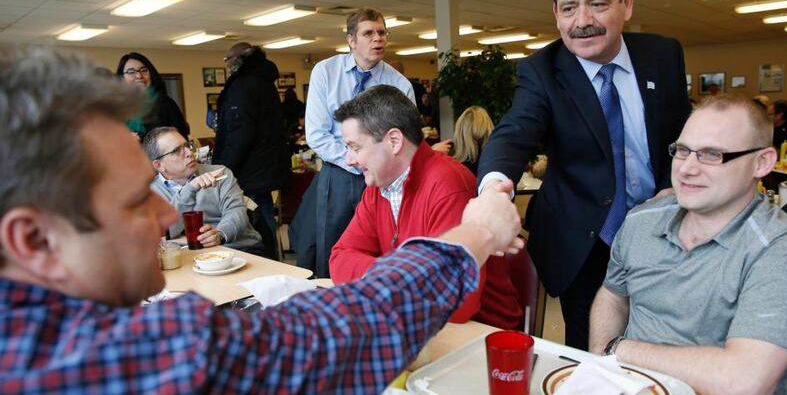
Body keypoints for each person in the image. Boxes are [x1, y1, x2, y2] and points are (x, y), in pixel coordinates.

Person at [0, 46, 525, 393]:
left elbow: (350, 271)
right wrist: (478, 231)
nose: (164, 211)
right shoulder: (120, 353)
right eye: (135, 199)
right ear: (33, 239)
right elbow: (347, 325)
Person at [476, 0, 691, 350]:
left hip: (662, 227)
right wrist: (491, 190)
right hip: (584, 241)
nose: (583, 22)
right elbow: (514, 132)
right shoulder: (542, 71)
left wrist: (671, 185)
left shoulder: (663, 56)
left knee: (662, 339)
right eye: (570, 8)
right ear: (556, 13)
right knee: (591, 350)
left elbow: (681, 132)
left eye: (597, 4)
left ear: (626, 3)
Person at [589, 95, 787, 395]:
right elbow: (613, 296)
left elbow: (743, 381)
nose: (687, 169)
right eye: (683, 150)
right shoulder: (641, 221)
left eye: (712, 154)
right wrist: (602, 361)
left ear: (762, 162)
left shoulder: (783, 248)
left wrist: (619, 350)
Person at [328, 86, 522, 329]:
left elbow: (456, 304)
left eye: (355, 147)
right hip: (417, 322)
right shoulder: (378, 187)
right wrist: (409, 276)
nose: (349, 159)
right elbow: (339, 257)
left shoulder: (449, 185)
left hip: (481, 335)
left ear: (394, 141)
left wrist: (385, 277)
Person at [300, 8, 414, 277]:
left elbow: (405, 140)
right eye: (369, 33)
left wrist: (375, 165)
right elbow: (317, 133)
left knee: (381, 247)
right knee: (331, 248)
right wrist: (356, 161)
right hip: (339, 174)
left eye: (382, 32)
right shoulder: (326, 72)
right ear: (351, 40)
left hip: (382, 178)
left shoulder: (400, 84)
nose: (378, 39)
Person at [213, 42, 289, 259]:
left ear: (239, 59)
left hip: (249, 168)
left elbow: (240, 132)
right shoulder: (264, 82)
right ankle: (271, 258)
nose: (227, 64)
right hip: (265, 165)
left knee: (256, 218)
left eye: (228, 59)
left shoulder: (243, 85)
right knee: (262, 212)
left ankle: (266, 260)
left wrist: (224, 168)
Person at [144, 126, 263, 253]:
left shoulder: (220, 173)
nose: (189, 152)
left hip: (238, 250)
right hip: (189, 258)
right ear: (159, 165)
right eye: (177, 150)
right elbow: (166, 232)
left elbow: (236, 213)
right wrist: (190, 189)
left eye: (187, 145)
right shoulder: (150, 193)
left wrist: (220, 234)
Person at [116, 52, 190, 139]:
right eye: (131, 72)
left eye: (144, 70)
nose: (139, 76)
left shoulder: (166, 104)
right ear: (121, 78)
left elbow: (182, 139)